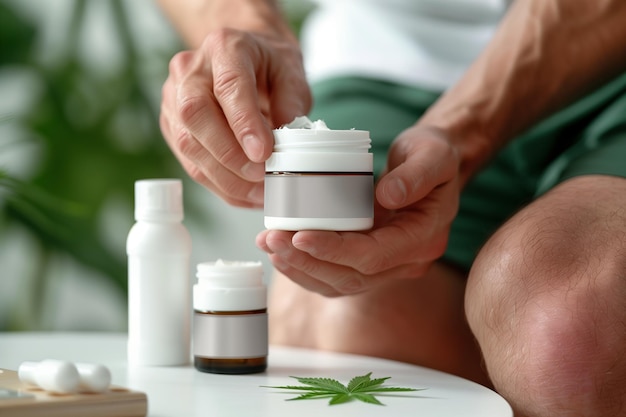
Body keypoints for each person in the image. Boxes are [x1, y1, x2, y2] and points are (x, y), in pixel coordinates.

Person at [157, 0, 626, 415]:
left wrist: (461, 131)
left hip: (612, 67)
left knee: (570, 337)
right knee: (347, 330)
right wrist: (246, 27)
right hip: (390, 59)